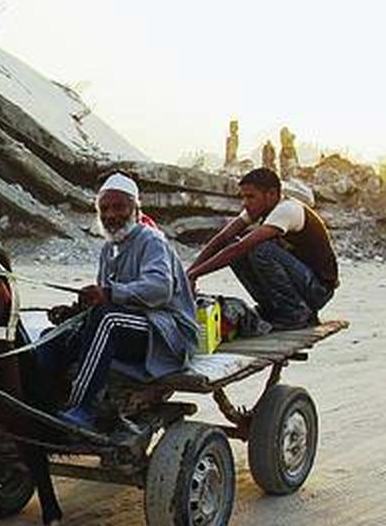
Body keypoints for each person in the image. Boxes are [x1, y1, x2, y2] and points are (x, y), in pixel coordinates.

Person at [40, 173, 198, 431]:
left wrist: (109, 294)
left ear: (135, 209)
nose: (111, 215)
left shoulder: (151, 240)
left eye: (119, 207)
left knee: (108, 320)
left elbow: (160, 289)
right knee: (54, 335)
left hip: (167, 332)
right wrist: (75, 311)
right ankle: (44, 401)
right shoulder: (108, 248)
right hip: (132, 327)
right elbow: (103, 299)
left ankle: (83, 407)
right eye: (105, 209)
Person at [187, 167, 338, 330]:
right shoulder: (260, 208)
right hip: (301, 283)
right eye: (243, 197)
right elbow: (222, 238)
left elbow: (241, 247)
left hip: (318, 289)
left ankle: (295, 313)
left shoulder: (287, 209)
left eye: (251, 197)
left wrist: (196, 274)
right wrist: (189, 274)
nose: (245, 203)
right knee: (234, 245)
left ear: (271, 194)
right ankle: (273, 308)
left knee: (259, 249)